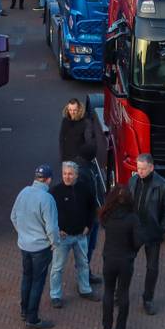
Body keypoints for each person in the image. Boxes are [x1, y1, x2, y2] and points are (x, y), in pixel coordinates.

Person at [58, 98, 108, 277]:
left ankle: (84, 272)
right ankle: (83, 274)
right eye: (69, 109)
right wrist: (64, 162)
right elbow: (62, 143)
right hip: (70, 164)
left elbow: (89, 143)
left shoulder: (85, 124)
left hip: (77, 162)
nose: (71, 112)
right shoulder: (65, 122)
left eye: (74, 110)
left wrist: (78, 157)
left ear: (79, 109)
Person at [10, 164, 59, 329]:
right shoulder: (47, 199)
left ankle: (24, 310)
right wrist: (54, 243)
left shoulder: (23, 192)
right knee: (38, 282)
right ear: (49, 179)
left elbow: (13, 216)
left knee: (27, 278)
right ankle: (32, 319)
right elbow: (52, 227)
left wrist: (22, 233)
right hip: (40, 248)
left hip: (24, 246)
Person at [128, 153, 165, 315]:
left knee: (152, 267)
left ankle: (148, 299)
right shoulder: (133, 180)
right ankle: (119, 295)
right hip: (134, 230)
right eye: (138, 168)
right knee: (126, 262)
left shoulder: (164, 186)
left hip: (152, 233)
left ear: (151, 168)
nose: (139, 172)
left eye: (142, 169)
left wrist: (162, 230)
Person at [48, 161, 100, 308]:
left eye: (70, 174)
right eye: (65, 173)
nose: (67, 176)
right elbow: (49, 214)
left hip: (80, 236)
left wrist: (88, 226)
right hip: (62, 238)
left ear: (76, 175)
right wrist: (57, 229)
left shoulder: (85, 189)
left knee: (83, 263)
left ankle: (85, 289)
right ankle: (55, 295)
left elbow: (92, 208)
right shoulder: (55, 192)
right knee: (57, 267)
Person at [99, 184, 144, 329]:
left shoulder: (107, 216)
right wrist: (132, 250)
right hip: (125, 260)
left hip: (109, 258)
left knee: (108, 292)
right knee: (123, 294)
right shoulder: (132, 218)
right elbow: (138, 241)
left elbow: (103, 223)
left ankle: (106, 328)